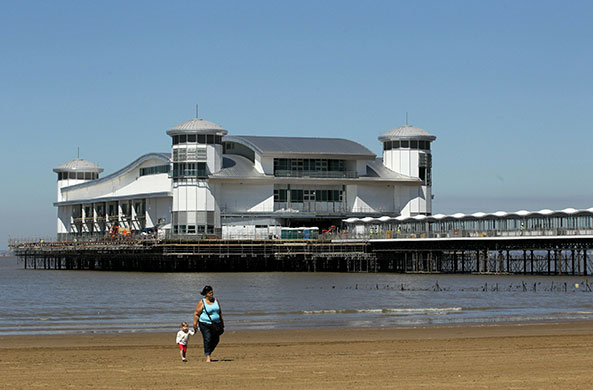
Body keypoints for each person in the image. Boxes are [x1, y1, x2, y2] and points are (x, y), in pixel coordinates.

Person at [193, 285, 224, 362]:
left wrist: (222, 322)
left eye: (212, 292)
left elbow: (219, 312)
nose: (211, 294)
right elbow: (196, 314)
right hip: (204, 323)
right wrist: (195, 324)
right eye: (210, 293)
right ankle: (208, 356)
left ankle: (209, 351)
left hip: (216, 324)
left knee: (216, 339)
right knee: (207, 338)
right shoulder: (201, 302)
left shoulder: (216, 300)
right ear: (206, 294)